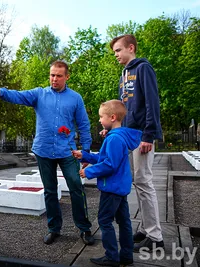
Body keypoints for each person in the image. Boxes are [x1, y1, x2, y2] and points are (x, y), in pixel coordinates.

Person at [0, 60, 94, 245]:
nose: (54, 79)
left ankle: (84, 228)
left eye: (59, 76)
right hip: (43, 150)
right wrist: (1, 92)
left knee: (76, 187)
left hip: (67, 152)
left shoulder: (75, 98)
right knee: (50, 191)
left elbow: (84, 125)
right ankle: (54, 229)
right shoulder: (39, 94)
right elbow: (18, 96)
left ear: (67, 77)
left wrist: (87, 152)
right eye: (52, 75)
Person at [110, 34, 164, 252]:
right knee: (138, 183)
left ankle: (156, 236)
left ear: (130, 48)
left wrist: (148, 135)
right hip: (129, 135)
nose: (116, 55)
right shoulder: (124, 74)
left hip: (142, 136)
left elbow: (152, 102)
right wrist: (114, 129)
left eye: (118, 50)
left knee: (144, 182)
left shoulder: (143, 69)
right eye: (114, 51)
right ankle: (145, 227)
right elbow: (124, 109)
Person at [73, 100, 142, 267]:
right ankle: (126, 255)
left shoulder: (114, 139)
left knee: (104, 220)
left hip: (111, 188)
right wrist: (85, 156)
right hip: (119, 188)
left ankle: (112, 256)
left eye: (101, 117)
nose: (99, 120)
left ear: (112, 117)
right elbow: (106, 159)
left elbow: (110, 165)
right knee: (124, 221)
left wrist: (88, 171)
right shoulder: (118, 136)